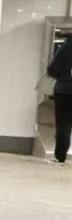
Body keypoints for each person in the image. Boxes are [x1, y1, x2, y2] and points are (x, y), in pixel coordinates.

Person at [48, 33, 72, 164]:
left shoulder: (66, 46)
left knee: (63, 125)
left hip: (65, 91)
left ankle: (60, 157)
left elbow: (52, 69)